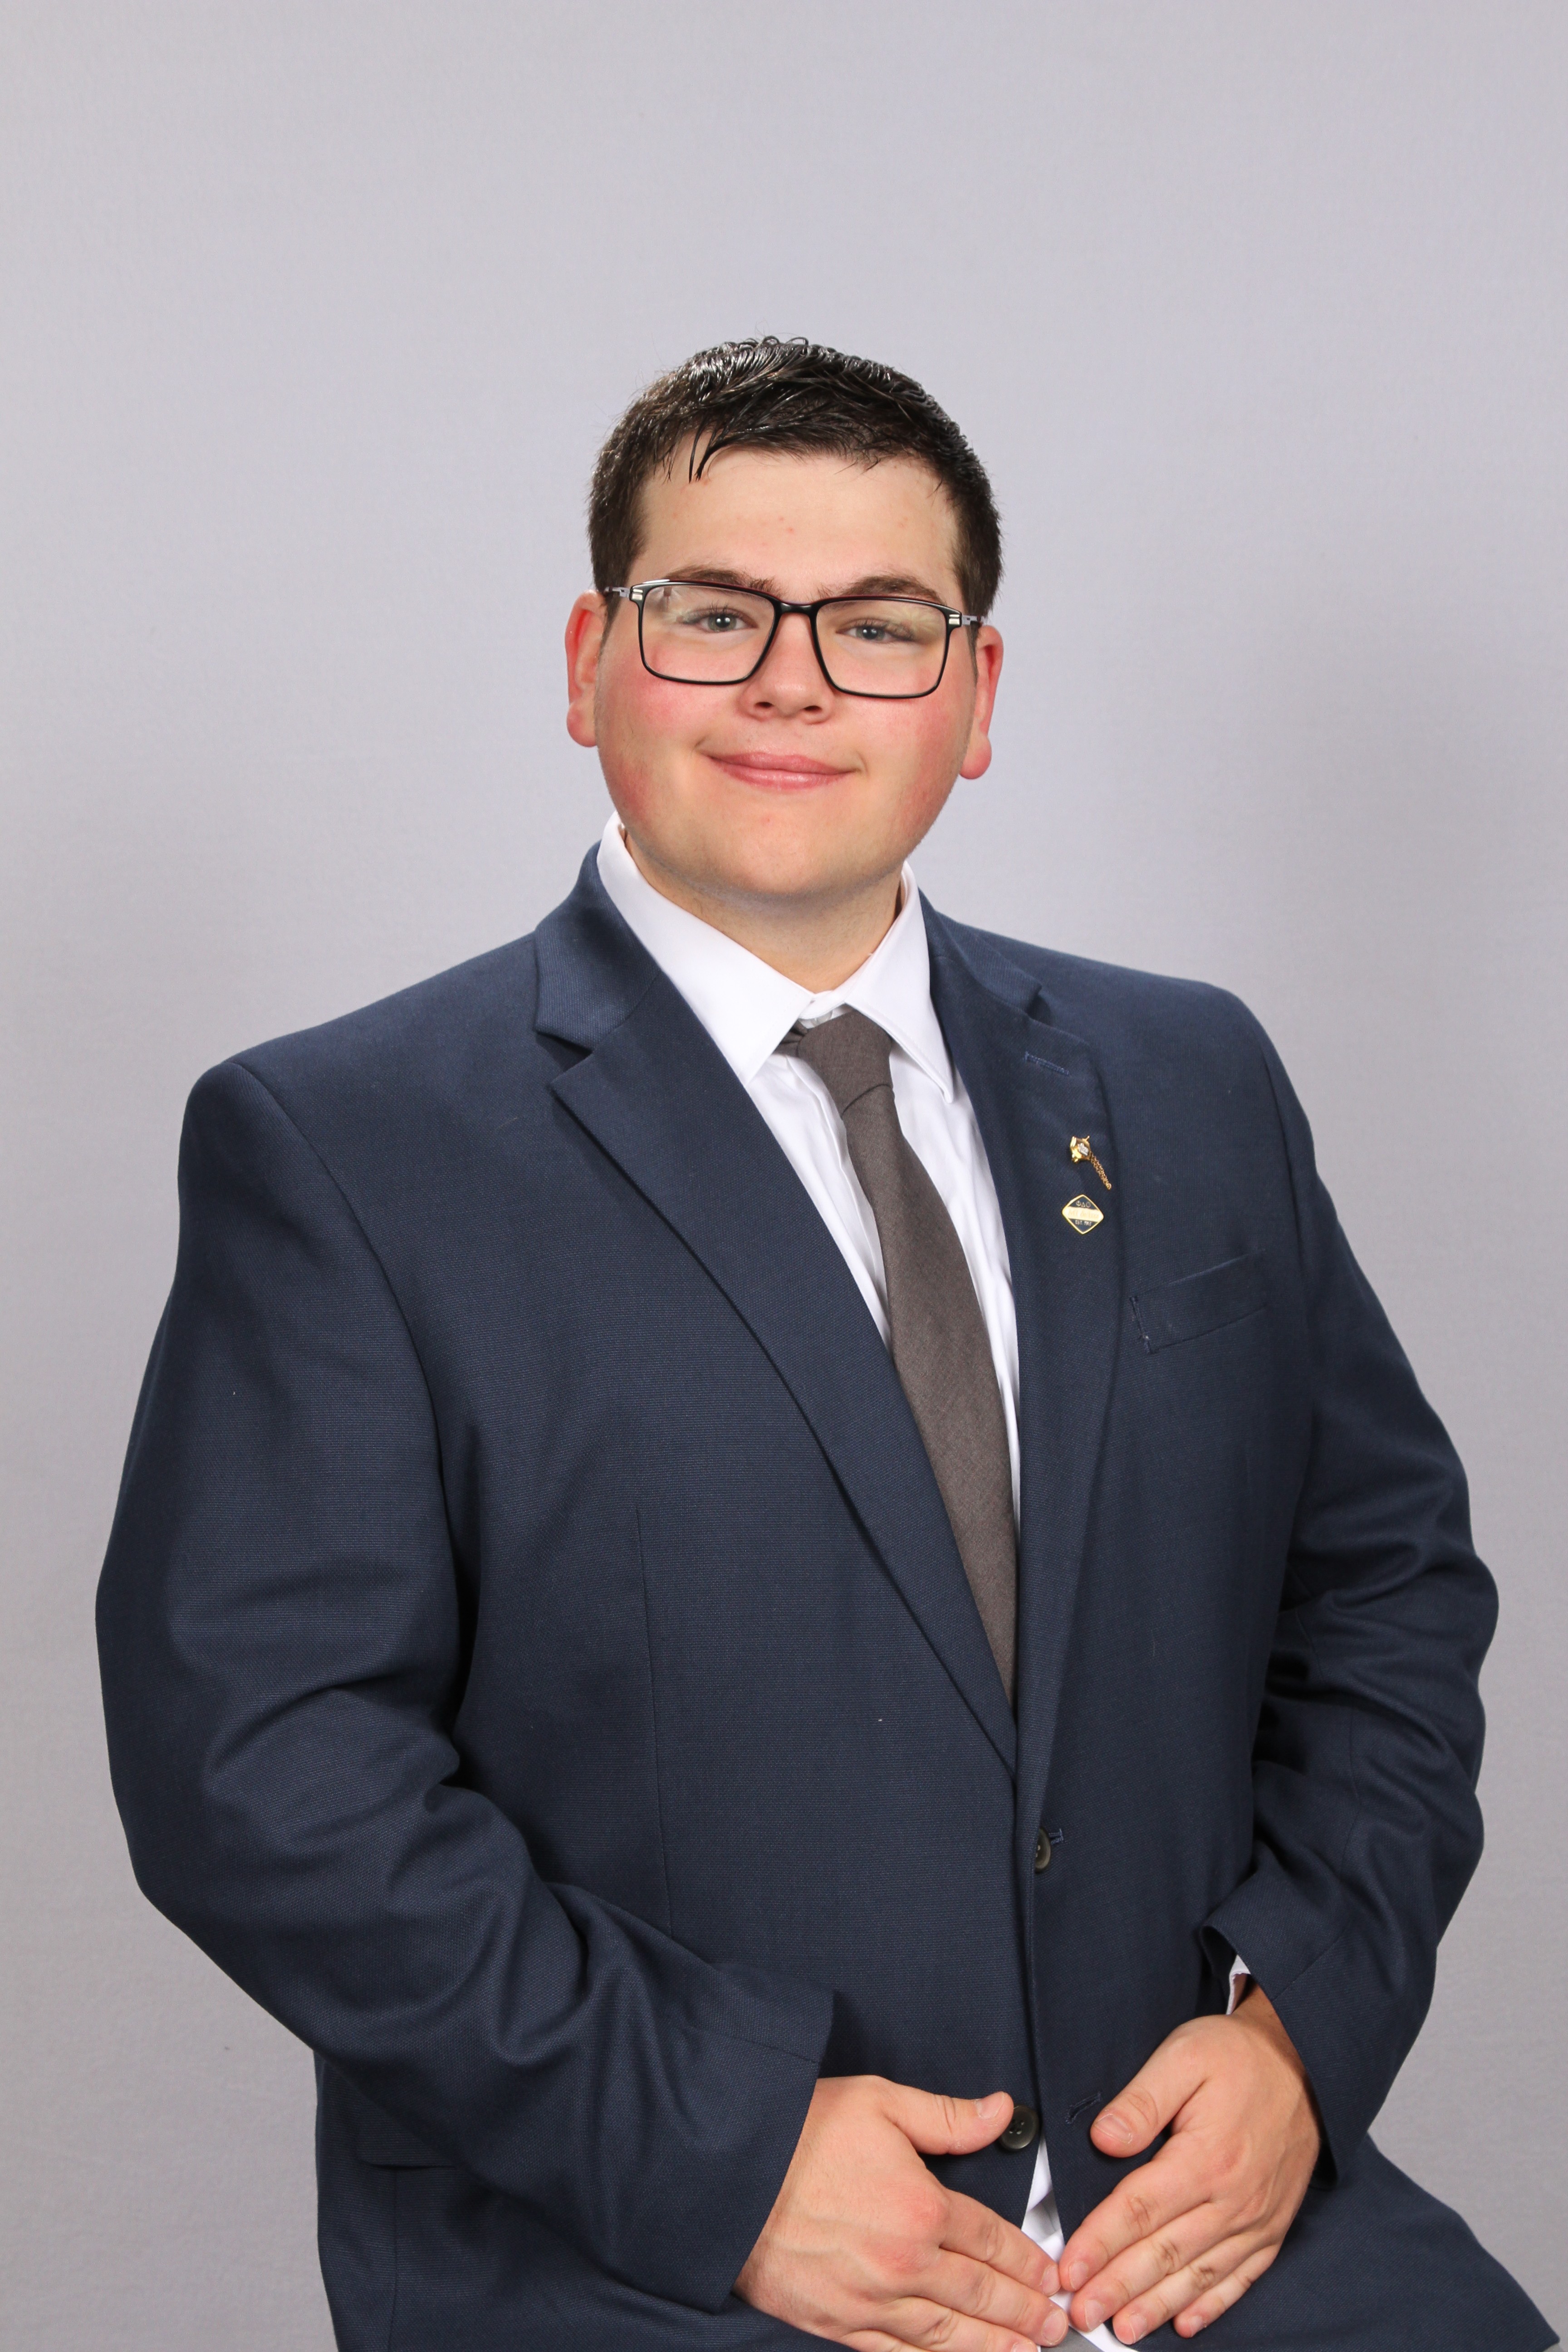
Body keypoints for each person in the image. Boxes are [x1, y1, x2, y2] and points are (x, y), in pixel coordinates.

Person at [97, 338, 1555, 2352]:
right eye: (715, 613)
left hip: (1199, 2225)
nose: (795, 681)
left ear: (976, 698)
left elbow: (1385, 1589)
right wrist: (728, 2153)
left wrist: (1297, 2026)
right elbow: (263, 1769)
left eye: (879, 625)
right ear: (593, 664)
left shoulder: (1192, 1080)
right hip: (666, 2249)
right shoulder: (346, 1147)